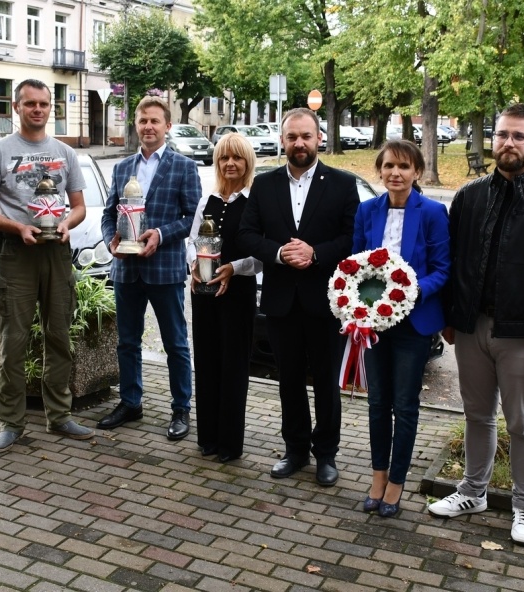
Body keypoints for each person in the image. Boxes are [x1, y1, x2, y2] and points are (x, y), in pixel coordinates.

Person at [427, 103, 524, 545]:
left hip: (523, 335)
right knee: (477, 415)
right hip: (471, 328)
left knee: (522, 424)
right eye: (502, 135)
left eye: (519, 136)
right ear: (492, 140)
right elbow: (453, 261)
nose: (509, 143)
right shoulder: (469, 197)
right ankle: (472, 492)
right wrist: (451, 317)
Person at [238, 107, 359, 487]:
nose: (299, 143)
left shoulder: (341, 184)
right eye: (292, 137)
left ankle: (326, 455)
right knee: (287, 378)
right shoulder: (264, 184)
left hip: (324, 301)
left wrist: (315, 253)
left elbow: (352, 237)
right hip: (280, 300)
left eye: (306, 136)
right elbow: (246, 233)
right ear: (282, 141)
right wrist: (278, 253)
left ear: (319, 138)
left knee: (325, 380)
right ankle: (294, 450)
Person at [0, 79, 94, 453]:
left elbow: (77, 206)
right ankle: (11, 422)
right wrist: (18, 227)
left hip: (56, 253)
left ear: (51, 108)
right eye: (30, 103)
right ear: (16, 108)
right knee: (13, 340)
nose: (38, 109)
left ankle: (59, 416)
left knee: (59, 334)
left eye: (45, 104)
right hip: (16, 254)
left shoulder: (65, 152)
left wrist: (66, 225)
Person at [353, 140, 449, 517]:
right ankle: (377, 476)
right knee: (377, 403)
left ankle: (396, 483)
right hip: (374, 324)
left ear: (417, 173)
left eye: (404, 167)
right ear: (380, 170)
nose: (396, 173)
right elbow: (355, 264)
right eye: (389, 165)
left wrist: (412, 293)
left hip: (414, 323)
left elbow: (443, 268)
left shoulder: (433, 213)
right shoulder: (367, 211)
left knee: (405, 406)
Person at [99, 96, 200, 440]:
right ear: (136, 125)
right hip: (126, 269)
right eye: (143, 121)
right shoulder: (121, 167)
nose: (148, 127)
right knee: (127, 341)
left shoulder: (183, 167)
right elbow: (108, 213)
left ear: (167, 126)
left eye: (155, 121)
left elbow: (192, 220)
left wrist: (160, 233)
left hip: (165, 269)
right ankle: (131, 402)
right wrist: (110, 241)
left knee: (176, 343)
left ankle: (181, 408)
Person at [186, 133, 261, 462]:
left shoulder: (254, 203)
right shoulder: (209, 199)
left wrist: (234, 267)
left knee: (233, 368)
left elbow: (260, 257)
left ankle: (230, 444)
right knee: (206, 362)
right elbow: (192, 241)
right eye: (224, 158)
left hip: (238, 294)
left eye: (237, 158)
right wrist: (193, 266)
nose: (230, 164)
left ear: (247, 162)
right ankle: (209, 438)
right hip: (205, 293)